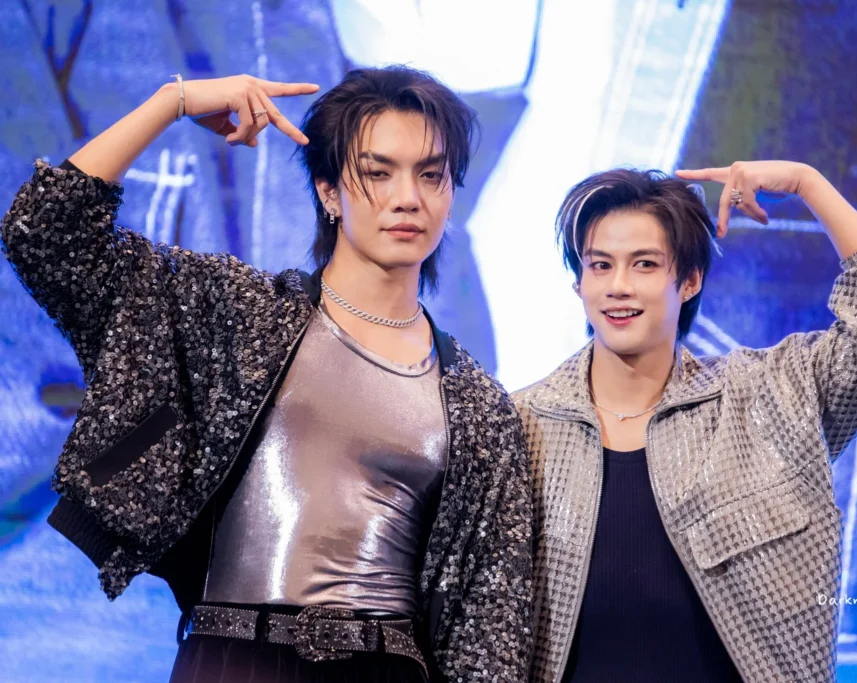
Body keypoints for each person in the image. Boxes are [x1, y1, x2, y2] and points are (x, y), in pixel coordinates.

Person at [0, 66, 532, 683]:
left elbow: (488, 632)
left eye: (431, 175)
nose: (408, 197)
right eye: (378, 172)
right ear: (328, 192)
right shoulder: (239, 314)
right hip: (233, 656)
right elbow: (46, 232)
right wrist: (173, 101)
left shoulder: (476, 403)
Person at [513, 161, 857, 682]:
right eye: (600, 265)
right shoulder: (523, 425)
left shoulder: (770, 397)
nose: (618, 286)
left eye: (645, 264)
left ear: (689, 281)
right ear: (579, 283)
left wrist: (806, 182)